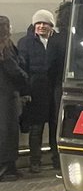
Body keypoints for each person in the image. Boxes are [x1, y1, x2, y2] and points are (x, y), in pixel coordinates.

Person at [18, 9, 56, 173]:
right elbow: (22, 67)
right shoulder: (25, 43)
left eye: (44, 23)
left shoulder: (57, 42)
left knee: (55, 127)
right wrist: (25, 91)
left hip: (53, 91)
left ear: (51, 26)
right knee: (36, 128)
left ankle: (57, 160)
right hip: (35, 91)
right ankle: (35, 162)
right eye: (38, 23)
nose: (41, 26)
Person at [0, 16, 27, 181]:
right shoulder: (5, 48)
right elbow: (14, 71)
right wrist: (25, 79)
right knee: (8, 133)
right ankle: (7, 168)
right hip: (7, 97)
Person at [45, 1, 70, 170]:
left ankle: (57, 159)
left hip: (59, 87)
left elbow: (49, 66)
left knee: (58, 123)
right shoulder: (82, 37)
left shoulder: (56, 40)